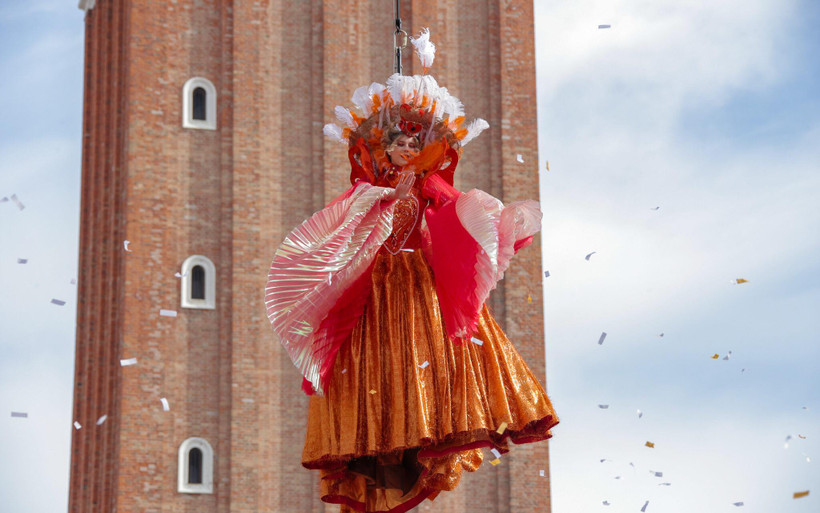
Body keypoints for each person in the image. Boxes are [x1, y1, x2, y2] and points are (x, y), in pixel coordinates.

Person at [266, 68, 558, 512]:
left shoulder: (429, 186)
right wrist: (383, 198)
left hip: (420, 288)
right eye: (399, 143)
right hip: (375, 292)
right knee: (379, 368)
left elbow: (461, 213)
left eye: (413, 145)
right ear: (383, 149)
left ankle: (429, 423)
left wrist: (496, 221)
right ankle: (385, 433)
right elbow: (342, 228)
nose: (406, 150)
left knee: (434, 362)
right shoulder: (366, 191)